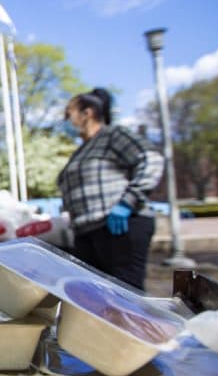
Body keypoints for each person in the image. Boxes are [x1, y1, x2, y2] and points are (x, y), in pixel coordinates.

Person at [57, 88, 163, 291]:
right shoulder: (83, 149)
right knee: (97, 299)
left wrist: (127, 202)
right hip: (88, 234)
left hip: (119, 227)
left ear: (87, 113)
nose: (65, 120)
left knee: (125, 296)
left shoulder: (113, 135)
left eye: (68, 113)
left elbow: (151, 159)